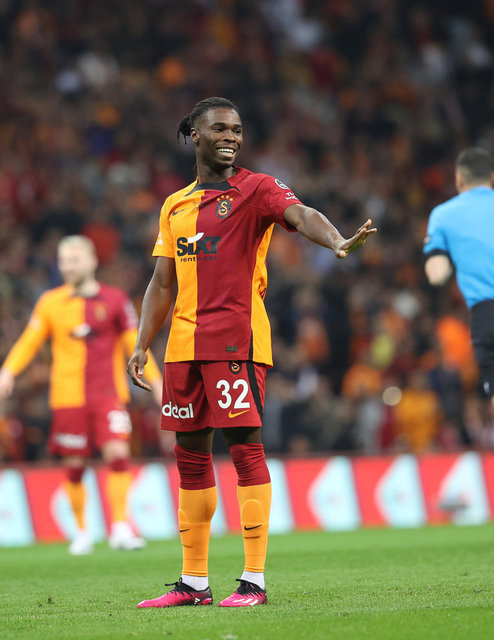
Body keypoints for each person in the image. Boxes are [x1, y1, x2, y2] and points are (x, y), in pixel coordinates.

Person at [127, 96, 376, 608]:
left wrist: (335, 241)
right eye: (220, 128)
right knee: (190, 459)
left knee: (246, 451)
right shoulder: (174, 205)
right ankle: (194, 583)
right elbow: (162, 282)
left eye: (237, 130)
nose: (231, 137)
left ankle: (254, 580)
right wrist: (141, 343)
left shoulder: (257, 188)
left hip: (235, 341)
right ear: (195, 135)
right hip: (182, 348)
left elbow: (300, 214)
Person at [0, 235, 162, 554]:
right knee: (74, 465)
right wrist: (8, 371)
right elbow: (29, 341)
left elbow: (135, 346)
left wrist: (156, 382)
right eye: (64, 261)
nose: (68, 266)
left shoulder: (115, 300)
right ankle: (82, 531)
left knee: (118, 453)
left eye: (74, 260)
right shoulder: (50, 303)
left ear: (92, 261)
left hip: (108, 394)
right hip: (67, 397)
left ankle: (120, 527)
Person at [424, 147, 494, 416]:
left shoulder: (443, 215)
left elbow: (437, 271)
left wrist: (441, 270)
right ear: (491, 177)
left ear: (459, 179)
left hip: (486, 312)